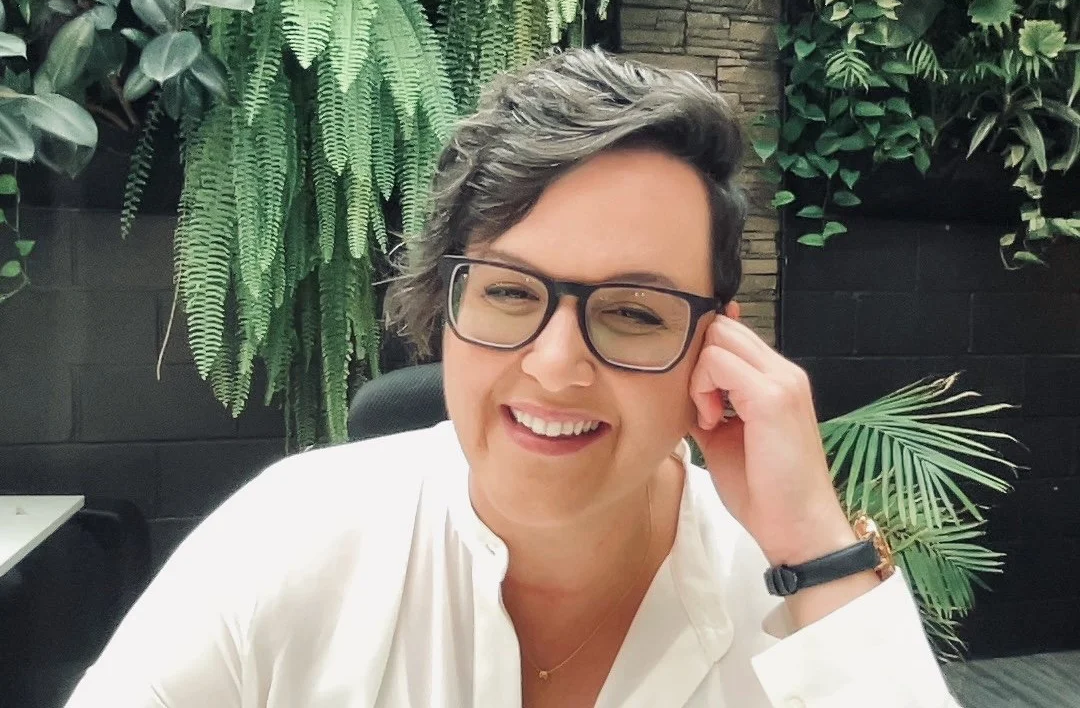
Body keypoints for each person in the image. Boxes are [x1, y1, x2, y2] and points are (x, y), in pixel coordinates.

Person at [64, 46, 960, 708]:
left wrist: (817, 547)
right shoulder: (290, 539)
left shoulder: (785, 597)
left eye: (636, 311)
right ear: (443, 301)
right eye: (507, 291)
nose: (557, 364)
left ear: (713, 349)